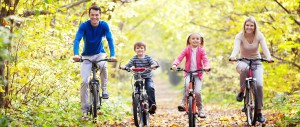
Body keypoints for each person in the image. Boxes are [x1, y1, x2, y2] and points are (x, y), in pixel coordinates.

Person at [72, 5, 116, 119]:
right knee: (84, 82)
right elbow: (77, 39)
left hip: (100, 53)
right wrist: (76, 54)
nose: (94, 17)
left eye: (97, 15)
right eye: (92, 15)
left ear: (100, 15)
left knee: (103, 66)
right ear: (89, 15)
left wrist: (112, 55)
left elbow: (110, 39)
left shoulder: (104, 25)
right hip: (86, 56)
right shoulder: (84, 26)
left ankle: (104, 89)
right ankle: (84, 112)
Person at [229, 16, 273, 123]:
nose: (249, 27)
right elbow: (236, 48)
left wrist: (269, 57)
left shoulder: (259, 36)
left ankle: (259, 112)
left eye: (251, 25)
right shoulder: (239, 36)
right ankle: (241, 90)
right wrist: (233, 56)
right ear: (244, 26)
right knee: (245, 68)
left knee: (259, 85)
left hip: (256, 62)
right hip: (242, 61)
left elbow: (265, 48)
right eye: (247, 25)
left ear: (254, 27)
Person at [171, 33, 210, 118]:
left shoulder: (201, 50)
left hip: (198, 74)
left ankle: (200, 109)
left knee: (197, 92)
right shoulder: (187, 49)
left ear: (200, 41)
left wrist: (207, 66)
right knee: (186, 85)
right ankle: (183, 103)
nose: (195, 40)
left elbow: (205, 59)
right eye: (193, 38)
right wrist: (175, 64)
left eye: (197, 39)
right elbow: (179, 57)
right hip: (188, 72)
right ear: (189, 40)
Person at [120, 41, 158, 114]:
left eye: (141, 48)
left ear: (144, 49)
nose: (140, 49)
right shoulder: (134, 58)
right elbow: (128, 65)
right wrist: (124, 67)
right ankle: (135, 105)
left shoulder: (148, 57)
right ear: (135, 50)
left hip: (147, 77)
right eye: (137, 48)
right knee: (135, 92)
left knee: (150, 88)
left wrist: (153, 65)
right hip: (138, 77)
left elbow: (153, 62)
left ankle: (152, 105)